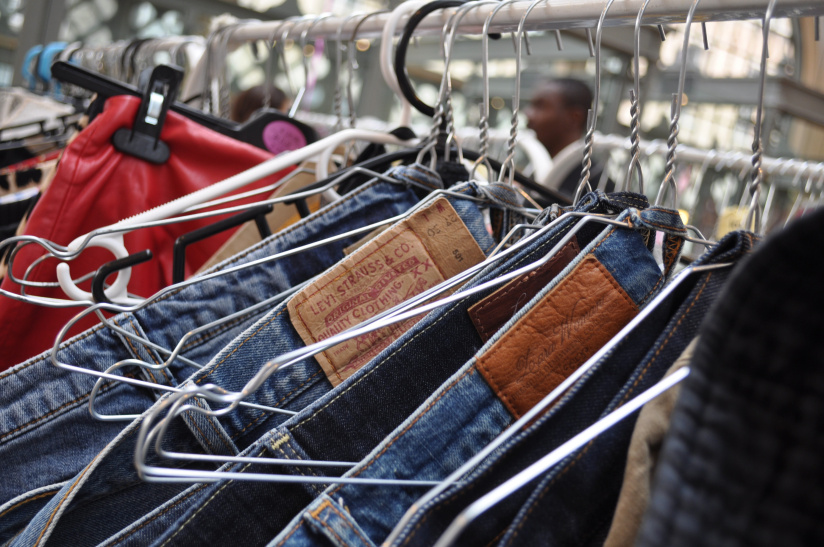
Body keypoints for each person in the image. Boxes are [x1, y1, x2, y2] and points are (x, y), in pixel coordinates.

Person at [524, 77, 613, 199]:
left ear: (574, 117)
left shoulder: (597, 187)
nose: (528, 114)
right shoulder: (533, 169)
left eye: (541, 106)